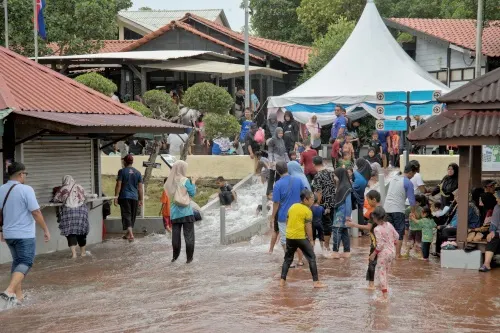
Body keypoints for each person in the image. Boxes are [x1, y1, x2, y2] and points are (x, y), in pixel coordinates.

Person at [0, 162, 50, 308]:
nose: (25, 177)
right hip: (24, 234)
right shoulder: (26, 189)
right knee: (26, 262)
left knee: (17, 263)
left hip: (9, 234)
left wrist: (1, 230)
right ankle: (9, 291)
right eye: (25, 174)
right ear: (21, 174)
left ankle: (18, 297)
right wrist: (45, 229)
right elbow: (35, 211)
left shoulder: (1, 189)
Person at [280, 189, 327, 289]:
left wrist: (290, 232)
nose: (312, 201)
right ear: (305, 200)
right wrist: (311, 240)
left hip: (289, 237)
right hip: (300, 237)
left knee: (287, 259)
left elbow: (287, 221)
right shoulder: (307, 211)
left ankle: (282, 281)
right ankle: (316, 282)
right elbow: (308, 227)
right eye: (311, 199)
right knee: (312, 258)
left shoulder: (292, 206)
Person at [270, 162, 305, 260]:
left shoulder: (278, 184)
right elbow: (304, 195)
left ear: (277, 171)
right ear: (287, 169)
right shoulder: (298, 180)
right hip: (298, 214)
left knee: (285, 240)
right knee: (298, 237)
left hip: (283, 216)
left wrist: (272, 217)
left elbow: (276, 203)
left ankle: (290, 260)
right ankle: (300, 260)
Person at [347, 191, 381, 290]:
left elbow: (368, 227)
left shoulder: (374, 213)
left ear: (374, 200)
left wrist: (354, 225)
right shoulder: (382, 210)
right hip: (382, 241)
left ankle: (371, 285)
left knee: (372, 261)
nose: (367, 202)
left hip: (375, 241)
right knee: (381, 263)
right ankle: (380, 282)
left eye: (368, 200)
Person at [165, 161, 198, 263]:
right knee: (189, 236)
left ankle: (174, 257)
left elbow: (168, 192)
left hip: (175, 213)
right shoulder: (185, 180)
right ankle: (189, 259)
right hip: (186, 212)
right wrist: (194, 182)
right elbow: (192, 193)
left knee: (175, 236)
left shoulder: (170, 180)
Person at [383, 164, 417, 259]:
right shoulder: (408, 183)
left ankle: (387, 253)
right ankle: (397, 255)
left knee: (389, 232)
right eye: (413, 174)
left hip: (386, 209)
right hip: (398, 210)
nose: (413, 176)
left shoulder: (394, 178)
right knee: (399, 233)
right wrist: (413, 212)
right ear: (410, 172)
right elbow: (412, 200)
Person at [53, 175, 90, 259]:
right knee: (82, 232)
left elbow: (56, 199)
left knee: (70, 232)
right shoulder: (79, 186)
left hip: (69, 213)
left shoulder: (63, 189)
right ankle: (83, 253)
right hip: (81, 212)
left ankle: (74, 254)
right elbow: (86, 196)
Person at [370, 207, 399, 301]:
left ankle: (384, 296)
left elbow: (380, 245)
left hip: (383, 254)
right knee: (386, 272)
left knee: (381, 273)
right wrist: (393, 242)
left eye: (373, 218)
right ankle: (386, 291)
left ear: (376, 218)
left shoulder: (377, 229)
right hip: (392, 252)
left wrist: (374, 254)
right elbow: (397, 236)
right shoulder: (389, 225)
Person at [114, 155, 143, 242]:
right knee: (132, 216)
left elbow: (118, 185)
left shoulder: (122, 171)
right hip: (134, 197)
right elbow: (140, 188)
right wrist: (141, 199)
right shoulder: (138, 173)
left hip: (125, 196)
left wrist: (116, 196)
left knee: (126, 214)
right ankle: (127, 234)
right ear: (132, 162)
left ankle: (131, 234)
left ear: (125, 162)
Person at [312, 156, 336, 254]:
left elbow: (318, 192)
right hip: (332, 201)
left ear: (313, 164)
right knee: (329, 224)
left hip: (323, 204)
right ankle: (326, 246)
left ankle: (325, 247)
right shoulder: (330, 172)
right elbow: (335, 184)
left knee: (323, 224)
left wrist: (316, 204)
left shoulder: (318, 176)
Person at [331, 168, 353, 259]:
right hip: (342, 213)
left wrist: (348, 215)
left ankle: (335, 252)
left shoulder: (345, 187)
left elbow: (348, 202)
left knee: (337, 231)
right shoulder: (343, 185)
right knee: (344, 232)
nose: (335, 177)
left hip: (341, 213)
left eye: (336, 175)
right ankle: (346, 252)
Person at [479, 190, 500, 272]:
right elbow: (494, 223)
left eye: (498, 198)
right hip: (498, 234)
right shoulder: (497, 207)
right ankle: (486, 264)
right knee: (492, 237)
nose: (496, 200)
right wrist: (492, 231)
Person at [267, 127, 290, 195]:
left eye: (282, 133)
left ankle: (277, 192)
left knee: (279, 176)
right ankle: (269, 192)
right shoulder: (272, 140)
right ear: (276, 133)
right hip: (274, 160)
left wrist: (287, 161)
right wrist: (271, 161)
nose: (281, 134)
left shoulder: (282, 141)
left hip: (281, 160)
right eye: (279, 133)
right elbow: (270, 151)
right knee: (271, 177)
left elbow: (284, 151)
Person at [353, 158, 371, 227]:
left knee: (355, 210)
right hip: (361, 195)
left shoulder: (356, 173)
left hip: (355, 195)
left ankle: (357, 228)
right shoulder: (366, 172)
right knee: (360, 210)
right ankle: (361, 227)